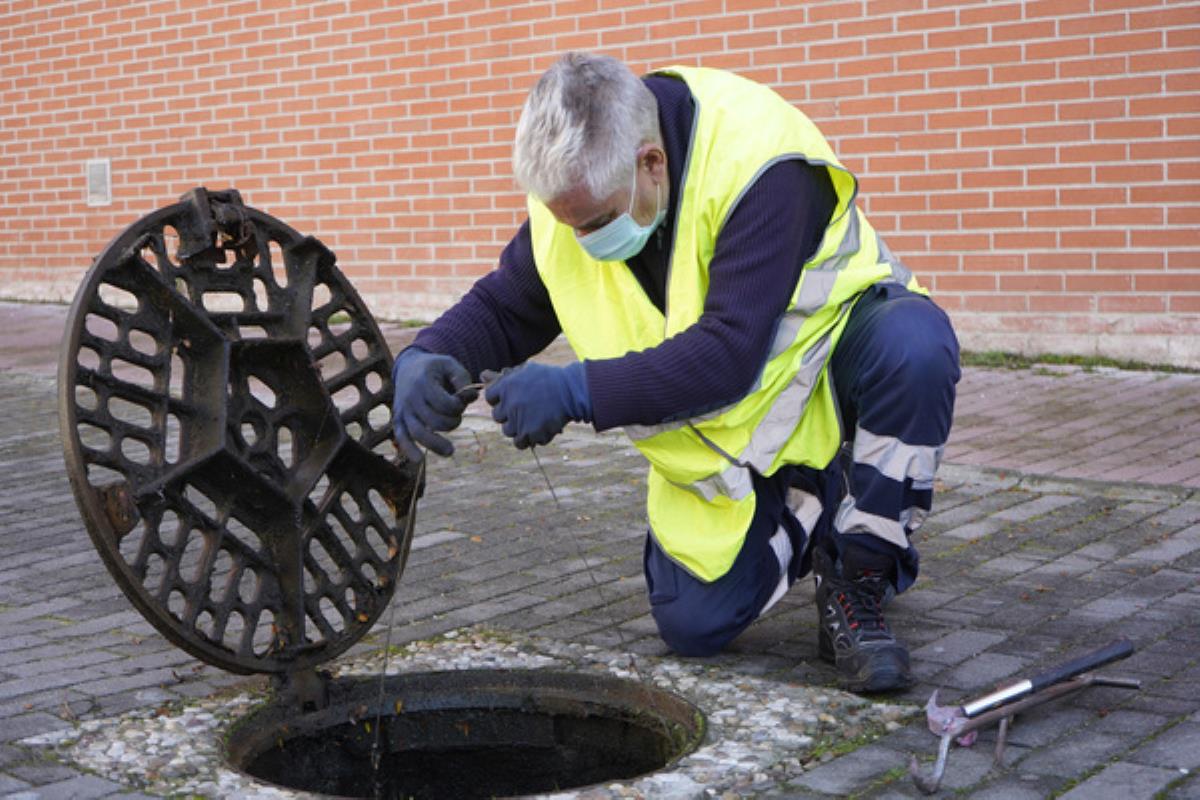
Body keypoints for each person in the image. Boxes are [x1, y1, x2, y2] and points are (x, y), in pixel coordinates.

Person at [390, 52, 960, 693]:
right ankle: (818, 504)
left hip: (837, 367)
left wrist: (578, 390)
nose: (581, 241)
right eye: (565, 223)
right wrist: (427, 355)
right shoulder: (584, 191)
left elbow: (727, 354)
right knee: (694, 624)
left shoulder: (761, 163)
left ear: (651, 163)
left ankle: (861, 577)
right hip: (751, 439)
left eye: (595, 223)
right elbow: (507, 302)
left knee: (915, 348)